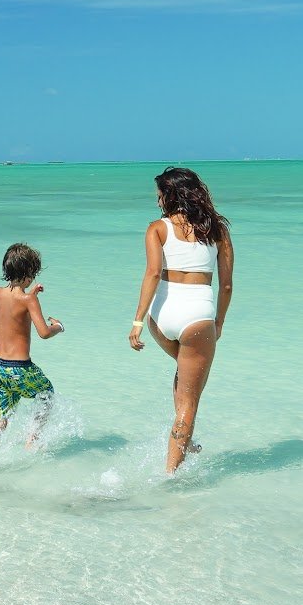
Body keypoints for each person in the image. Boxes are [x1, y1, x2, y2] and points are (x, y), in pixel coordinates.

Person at [127, 165, 233, 472]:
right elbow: (225, 285)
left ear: (169, 195)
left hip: (160, 317)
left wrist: (137, 322)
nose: (158, 200)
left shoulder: (157, 228)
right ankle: (171, 476)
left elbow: (152, 274)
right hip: (197, 318)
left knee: (184, 375)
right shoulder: (218, 230)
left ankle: (187, 441)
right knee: (190, 402)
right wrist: (219, 322)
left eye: (160, 194)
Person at [0, 242, 63, 459]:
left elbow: (16, 305)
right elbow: (43, 332)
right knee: (46, 394)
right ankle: (32, 441)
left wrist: (30, 294)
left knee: (1, 418)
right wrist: (58, 327)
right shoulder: (29, 300)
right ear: (30, 273)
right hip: (19, 369)